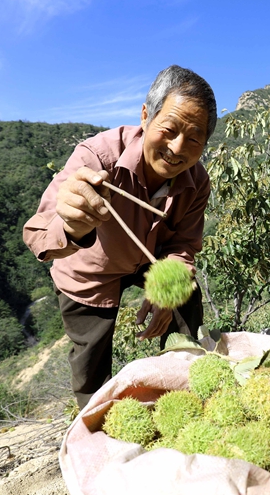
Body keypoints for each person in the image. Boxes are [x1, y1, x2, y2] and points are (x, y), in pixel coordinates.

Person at [22, 65, 216, 409]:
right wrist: (70, 226)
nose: (177, 148)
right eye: (169, 129)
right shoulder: (97, 157)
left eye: (194, 138)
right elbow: (37, 234)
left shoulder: (197, 180)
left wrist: (167, 292)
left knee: (187, 296)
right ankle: (97, 425)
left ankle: (186, 391)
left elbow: (183, 245)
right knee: (90, 366)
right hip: (89, 269)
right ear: (145, 115)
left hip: (147, 258)